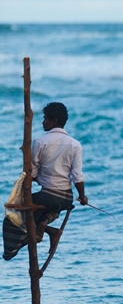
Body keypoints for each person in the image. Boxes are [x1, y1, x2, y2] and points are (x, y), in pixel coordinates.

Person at [3, 102, 87, 260]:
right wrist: (82, 197)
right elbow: (77, 175)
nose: (43, 122)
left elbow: (32, 172)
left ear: (54, 121)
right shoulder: (75, 144)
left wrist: (32, 178)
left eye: (45, 119)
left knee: (13, 216)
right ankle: (47, 227)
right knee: (50, 207)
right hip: (66, 198)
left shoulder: (40, 142)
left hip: (48, 195)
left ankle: (12, 251)